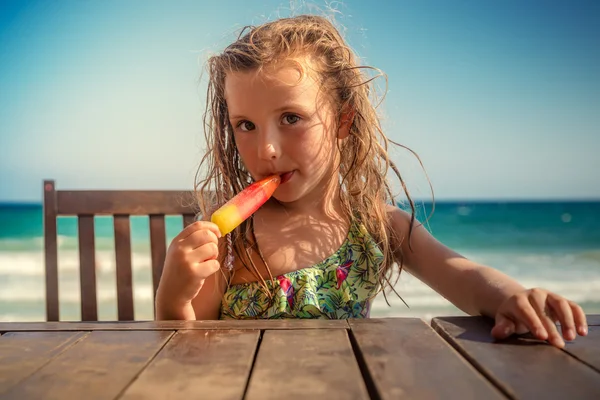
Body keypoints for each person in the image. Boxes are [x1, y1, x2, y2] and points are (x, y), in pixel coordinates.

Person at [155, 15, 588, 348]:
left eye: (291, 118)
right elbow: (185, 346)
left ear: (343, 120)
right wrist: (174, 294)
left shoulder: (376, 224)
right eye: (245, 125)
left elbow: (461, 274)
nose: (266, 149)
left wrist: (513, 297)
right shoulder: (228, 238)